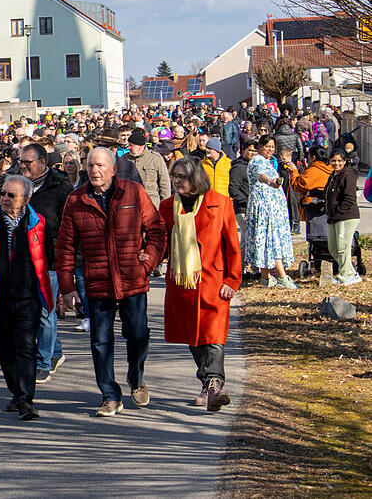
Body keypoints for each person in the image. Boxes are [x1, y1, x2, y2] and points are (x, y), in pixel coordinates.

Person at [57, 147, 167, 417]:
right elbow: (66, 246)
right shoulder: (76, 200)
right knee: (100, 341)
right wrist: (67, 287)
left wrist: (147, 263)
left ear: (114, 169)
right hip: (98, 281)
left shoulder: (133, 192)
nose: (95, 171)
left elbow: (157, 230)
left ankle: (136, 377)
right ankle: (109, 395)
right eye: (91, 166)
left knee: (138, 334)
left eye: (100, 166)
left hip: (132, 279)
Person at [160, 158, 242, 411]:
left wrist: (232, 279)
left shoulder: (220, 203)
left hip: (213, 281)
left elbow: (232, 246)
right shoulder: (167, 207)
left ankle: (213, 385)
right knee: (193, 338)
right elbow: (162, 243)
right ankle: (208, 384)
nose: (176, 181)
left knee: (213, 336)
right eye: (174, 176)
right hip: (183, 282)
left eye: (181, 176)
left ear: (195, 178)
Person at [0, 175, 55, 420]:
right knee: (6, 348)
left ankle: (25, 399)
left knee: (26, 347)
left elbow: (49, 256)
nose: (5, 199)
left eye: (12, 195)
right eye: (3, 194)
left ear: (26, 199)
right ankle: (16, 391)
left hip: (27, 297)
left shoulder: (38, 223)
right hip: (0, 296)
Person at [18, 144, 73, 383]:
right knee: (30, 310)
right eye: (20, 162)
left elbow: (68, 226)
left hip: (49, 259)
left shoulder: (61, 188)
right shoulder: (16, 185)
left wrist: (64, 258)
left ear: (42, 162)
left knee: (45, 310)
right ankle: (55, 350)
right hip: (22, 258)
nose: (22, 166)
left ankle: (43, 361)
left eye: (27, 162)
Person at [244, 136, 296, 288]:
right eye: (267, 146)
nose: (270, 149)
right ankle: (282, 277)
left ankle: (266, 277)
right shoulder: (257, 161)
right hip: (264, 209)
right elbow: (261, 176)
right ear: (260, 147)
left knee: (266, 242)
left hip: (272, 208)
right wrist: (270, 182)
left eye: (272, 147)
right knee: (271, 241)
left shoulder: (269, 161)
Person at [325, 149, 362, 285]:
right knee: (333, 248)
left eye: (340, 161)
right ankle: (352, 272)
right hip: (333, 217)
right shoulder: (333, 175)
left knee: (343, 247)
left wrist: (338, 210)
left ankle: (345, 275)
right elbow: (329, 194)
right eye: (334, 160)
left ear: (345, 161)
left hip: (346, 216)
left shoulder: (348, 174)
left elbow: (349, 198)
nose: (336, 163)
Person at [122, 128, 170, 208]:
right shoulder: (124, 159)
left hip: (151, 203)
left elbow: (164, 183)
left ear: (140, 146)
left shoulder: (155, 158)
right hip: (130, 204)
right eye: (128, 145)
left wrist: (165, 206)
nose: (128, 148)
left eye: (131, 145)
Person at [229, 141, 256, 268]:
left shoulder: (255, 165)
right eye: (250, 150)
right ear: (243, 150)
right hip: (243, 208)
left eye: (255, 151)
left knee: (249, 239)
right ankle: (241, 267)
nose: (253, 153)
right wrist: (245, 200)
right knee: (248, 238)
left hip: (254, 207)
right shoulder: (238, 167)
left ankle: (247, 267)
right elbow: (233, 188)